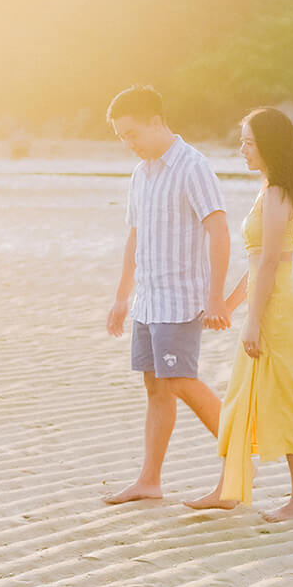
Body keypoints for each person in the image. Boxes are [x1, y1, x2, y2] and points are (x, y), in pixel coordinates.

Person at [103, 86, 232, 504]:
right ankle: (149, 481)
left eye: (133, 133)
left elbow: (219, 230)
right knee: (156, 389)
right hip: (148, 299)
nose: (129, 144)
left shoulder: (193, 167)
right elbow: (135, 237)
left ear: (157, 121)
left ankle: (238, 467)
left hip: (181, 300)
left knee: (182, 382)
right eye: (122, 138)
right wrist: (123, 296)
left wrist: (216, 297)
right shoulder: (141, 174)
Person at [185, 107, 293, 521]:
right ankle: (229, 488)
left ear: (270, 144)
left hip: (277, 312)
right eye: (241, 141)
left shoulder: (279, 192)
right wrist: (228, 304)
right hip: (266, 306)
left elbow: (273, 263)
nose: (242, 149)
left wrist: (255, 321)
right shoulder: (269, 188)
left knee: (287, 400)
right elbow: (257, 263)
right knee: (240, 399)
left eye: (248, 142)